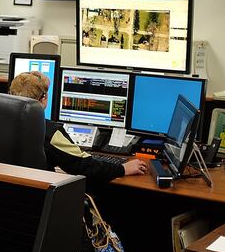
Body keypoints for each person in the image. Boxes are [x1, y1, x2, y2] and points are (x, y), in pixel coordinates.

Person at [9, 72, 146, 181]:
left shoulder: (1, 122)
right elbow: (83, 165)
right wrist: (123, 169)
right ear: (43, 99)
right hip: (42, 199)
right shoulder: (47, 130)